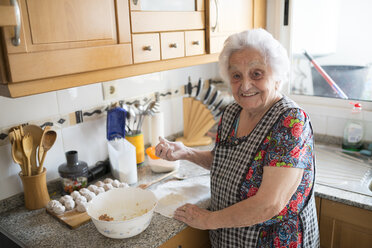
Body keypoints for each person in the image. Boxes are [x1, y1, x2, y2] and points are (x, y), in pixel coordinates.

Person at [155, 28, 319, 248]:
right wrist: (187, 152)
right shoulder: (232, 112)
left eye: (257, 74)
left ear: (277, 76)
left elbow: (269, 204)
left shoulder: (290, 123)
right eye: (236, 76)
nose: (245, 85)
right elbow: (226, 162)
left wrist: (208, 220)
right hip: (230, 238)